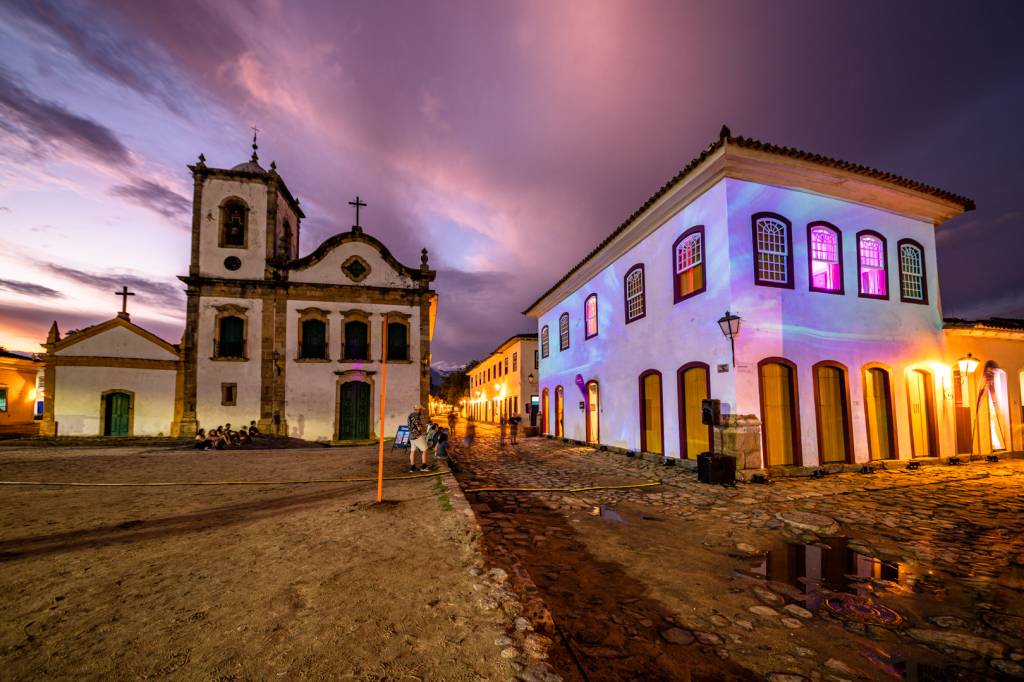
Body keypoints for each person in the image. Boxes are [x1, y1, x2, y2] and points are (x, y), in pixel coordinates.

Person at [407, 404, 430, 472]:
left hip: (411, 435)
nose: (421, 412)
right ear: (419, 410)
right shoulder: (416, 416)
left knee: (412, 451)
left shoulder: (410, 415)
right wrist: (423, 428)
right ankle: (424, 466)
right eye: (421, 410)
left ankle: (412, 467)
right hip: (417, 435)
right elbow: (419, 428)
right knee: (425, 449)